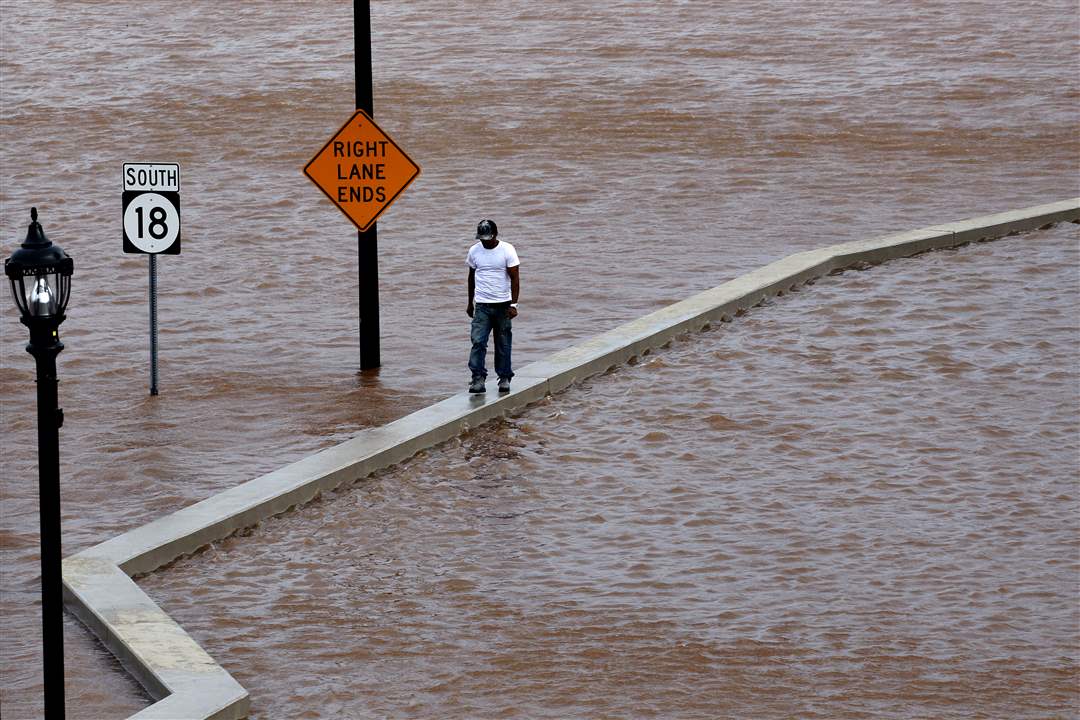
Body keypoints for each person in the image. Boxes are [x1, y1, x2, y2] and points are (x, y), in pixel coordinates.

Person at [466, 218, 520, 394]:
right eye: (482, 239)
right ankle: (478, 378)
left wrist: (514, 304)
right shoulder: (474, 251)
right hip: (482, 305)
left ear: (495, 235)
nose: (484, 242)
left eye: (487, 238)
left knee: (503, 343)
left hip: (503, 305)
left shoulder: (507, 250)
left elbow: (515, 278)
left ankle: (504, 377)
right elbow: (471, 277)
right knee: (478, 342)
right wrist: (470, 302)